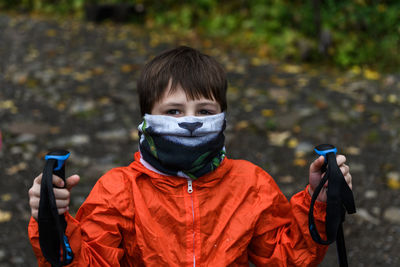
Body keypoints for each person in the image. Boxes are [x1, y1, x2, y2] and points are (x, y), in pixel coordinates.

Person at [28, 46, 352, 266]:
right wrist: (52, 220)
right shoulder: (118, 190)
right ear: (146, 118)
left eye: (204, 110)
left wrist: (319, 202)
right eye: (173, 110)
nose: (191, 121)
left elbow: (285, 259)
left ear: (223, 116)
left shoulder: (250, 184)